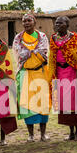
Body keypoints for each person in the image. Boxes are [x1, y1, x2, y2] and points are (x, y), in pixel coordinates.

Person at [13, 13, 51, 142]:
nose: (26, 23)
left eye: (29, 20)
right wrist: (33, 52)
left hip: (40, 73)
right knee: (27, 105)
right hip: (25, 73)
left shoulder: (42, 37)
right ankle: (30, 135)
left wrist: (30, 52)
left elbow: (43, 52)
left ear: (35, 22)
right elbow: (19, 54)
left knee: (42, 103)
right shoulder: (18, 38)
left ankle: (43, 134)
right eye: (24, 21)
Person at [49, 16, 77, 141]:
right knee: (64, 102)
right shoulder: (53, 38)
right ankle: (70, 132)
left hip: (73, 72)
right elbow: (52, 58)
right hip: (59, 73)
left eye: (60, 23)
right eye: (56, 23)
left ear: (67, 24)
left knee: (75, 100)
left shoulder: (74, 38)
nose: (57, 25)